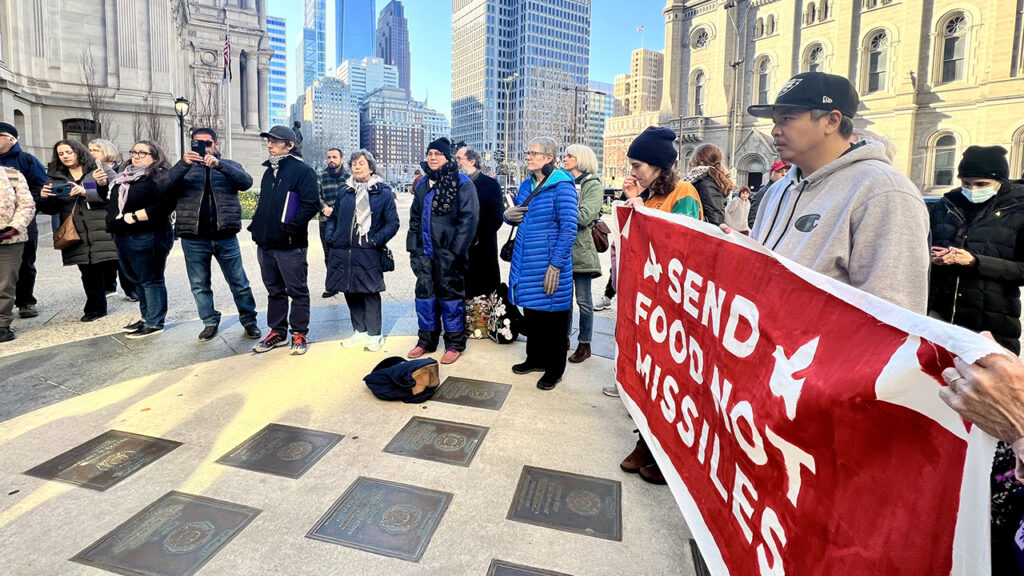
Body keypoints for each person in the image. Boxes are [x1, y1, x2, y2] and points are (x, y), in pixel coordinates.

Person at [745, 71, 930, 313]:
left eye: (787, 119)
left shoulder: (883, 190)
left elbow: (894, 313)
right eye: (775, 122)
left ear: (832, 121)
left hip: (820, 348)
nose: (775, 131)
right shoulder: (777, 190)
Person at [928, 146, 1024, 354]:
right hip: (941, 317)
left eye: (982, 184)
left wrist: (975, 262)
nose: (972, 189)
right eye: (966, 183)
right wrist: (933, 257)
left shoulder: (1018, 209)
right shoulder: (947, 205)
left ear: (1000, 181)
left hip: (992, 323)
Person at [167, 127, 260, 342]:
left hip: (225, 235)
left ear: (216, 145)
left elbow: (246, 182)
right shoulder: (184, 167)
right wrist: (183, 164)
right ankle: (209, 321)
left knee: (239, 281)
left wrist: (221, 165)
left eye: (207, 143)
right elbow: (163, 186)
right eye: (197, 143)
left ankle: (249, 320)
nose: (203, 147)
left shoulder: (229, 165)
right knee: (200, 284)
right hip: (194, 237)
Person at [504, 136, 578, 390]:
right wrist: (507, 217)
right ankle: (535, 358)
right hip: (526, 261)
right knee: (533, 314)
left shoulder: (563, 186)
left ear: (548, 158)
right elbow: (520, 217)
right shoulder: (526, 184)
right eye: (528, 152)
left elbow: (569, 227)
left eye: (534, 153)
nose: (529, 157)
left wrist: (556, 264)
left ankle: (554, 369)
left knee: (554, 319)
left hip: (549, 264)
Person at [407, 138, 480, 364]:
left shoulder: (462, 182)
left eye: (438, 153)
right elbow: (415, 217)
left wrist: (456, 252)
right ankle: (426, 340)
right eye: (430, 153)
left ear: (447, 157)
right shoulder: (422, 184)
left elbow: (469, 220)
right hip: (424, 253)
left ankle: (454, 343)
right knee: (425, 297)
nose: (433, 157)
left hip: (449, 253)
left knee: (450, 298)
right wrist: (413, 247)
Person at [249, 125, 320, 355]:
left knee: (296, 289)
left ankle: (299, 333)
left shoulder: (302, 171)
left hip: (290, 244)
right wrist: (256, 227)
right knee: (274, 290)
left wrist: (289, 227)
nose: (270, 144)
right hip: (266, 243)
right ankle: (277, 332)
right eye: (269, 140)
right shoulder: (269, 171)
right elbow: (265, 204)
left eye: (275, 141)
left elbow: (311, 204)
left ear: (289, 145)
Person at [325, 150, 400, 351]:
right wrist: (331, 237)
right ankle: (360, 331)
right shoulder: (345, 191)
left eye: (361, 163)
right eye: (354, 164)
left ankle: (375, 334)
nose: (357, 167)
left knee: (370, 291)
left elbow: (393, 223)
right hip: (343, 250)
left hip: (368, 249)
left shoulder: (382, 191)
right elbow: (333, 217)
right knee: (350, 289)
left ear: (371, 167)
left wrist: (375, 241)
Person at [38, 140, 118, 322]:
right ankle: (95, 308)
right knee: (88, 269)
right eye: (61, 153)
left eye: (69, 151)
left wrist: (88, 191)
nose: (65, 156)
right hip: (75, 229)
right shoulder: (56, 177)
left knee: (107, 264)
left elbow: (117, 196)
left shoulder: (98, 170)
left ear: (78, 152)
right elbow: (51, 209)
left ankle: (122, 290)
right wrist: (44, 198)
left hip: (101, 226)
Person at [104, 141, 176, 339]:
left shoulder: (158, 176)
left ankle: (154, 322)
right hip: (123, 236)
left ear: (155, 156)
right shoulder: (124, 176)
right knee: (137, 280)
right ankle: (146, 317)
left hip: (149, 235)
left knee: (151, 279)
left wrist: (133, 217)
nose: (136, 155)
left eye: (142, 153)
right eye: (134, 151)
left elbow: (165, 206)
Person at [562, 144, 604, 364]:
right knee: (563, 300)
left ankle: (584, 343)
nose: (565, 158)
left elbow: (585, 216)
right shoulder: (565, 181)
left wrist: (561, 210)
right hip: (563, 250)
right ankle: (564, 339)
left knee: (583, 301)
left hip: (582, 251)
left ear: (581, 160)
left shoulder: (593, 184)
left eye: (570, 156)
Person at [0, 123, 46, 320]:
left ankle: (26, 301)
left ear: (11, 139)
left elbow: (41, 186)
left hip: (23, 221)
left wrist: (23, 212)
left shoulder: (26, 160)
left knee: (26, 263)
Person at [89, 138, 136, 300]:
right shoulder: (91, 171)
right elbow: (91, 193)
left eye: (95, 150)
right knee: (108, 255)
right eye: (90, 150)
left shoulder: (123, 168)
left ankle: (130, 289)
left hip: (120, 217)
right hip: (99, 217)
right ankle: (110, 285)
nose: (90, 153)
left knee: (122, 256)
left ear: (106, 151)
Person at [455, 145, 503, 298]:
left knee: (483, 299)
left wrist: (475, 237)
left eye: (459, 159)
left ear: (472, 161)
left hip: (482, 249)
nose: (456, 162)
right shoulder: (454, 184)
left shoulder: (490, 185)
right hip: (459, 250)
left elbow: (496, 217)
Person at [0, 166, 35, 342]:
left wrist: (14, 228)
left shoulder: (11, 175)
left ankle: (2, 324)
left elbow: (26, 204)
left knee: (5, 283)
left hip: (8, 240)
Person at [318, 148, 347, 298]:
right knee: (328, 254)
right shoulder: (321, 176)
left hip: (345, 222)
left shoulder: (349, 177)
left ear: (342, 159)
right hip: (326, 220)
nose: (331, 160)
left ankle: (348, 282)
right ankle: (332, 285)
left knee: (347, 252)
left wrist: (337, 210)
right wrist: (324, 208)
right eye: (329, 157)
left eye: (334, 157)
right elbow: (316, 196)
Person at [683, 143, 732, 226]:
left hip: (699, 232)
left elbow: (716, 219)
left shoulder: (705, 183)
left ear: (700, 161)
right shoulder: (701, 179)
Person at [748, 160, 789, 229]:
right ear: (771, 174)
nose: (784, 174)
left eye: (786, 171)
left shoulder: (787, 192)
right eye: (779, 171)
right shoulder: (764, 193)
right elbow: (753, 219)